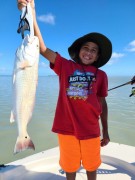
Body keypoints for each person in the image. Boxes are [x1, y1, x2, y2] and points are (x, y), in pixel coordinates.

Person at [17, 1, 112, 179]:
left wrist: (105, 131)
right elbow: (43, 50)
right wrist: (33, 16)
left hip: (92, 130)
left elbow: (102, 103)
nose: (89, 52)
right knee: (70, 166)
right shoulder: (65, 66)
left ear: (98, 56)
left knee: (92, 166)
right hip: (66, 128)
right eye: (86, 48)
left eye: (94, 50)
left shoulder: (101, 75)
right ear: (79, 51)